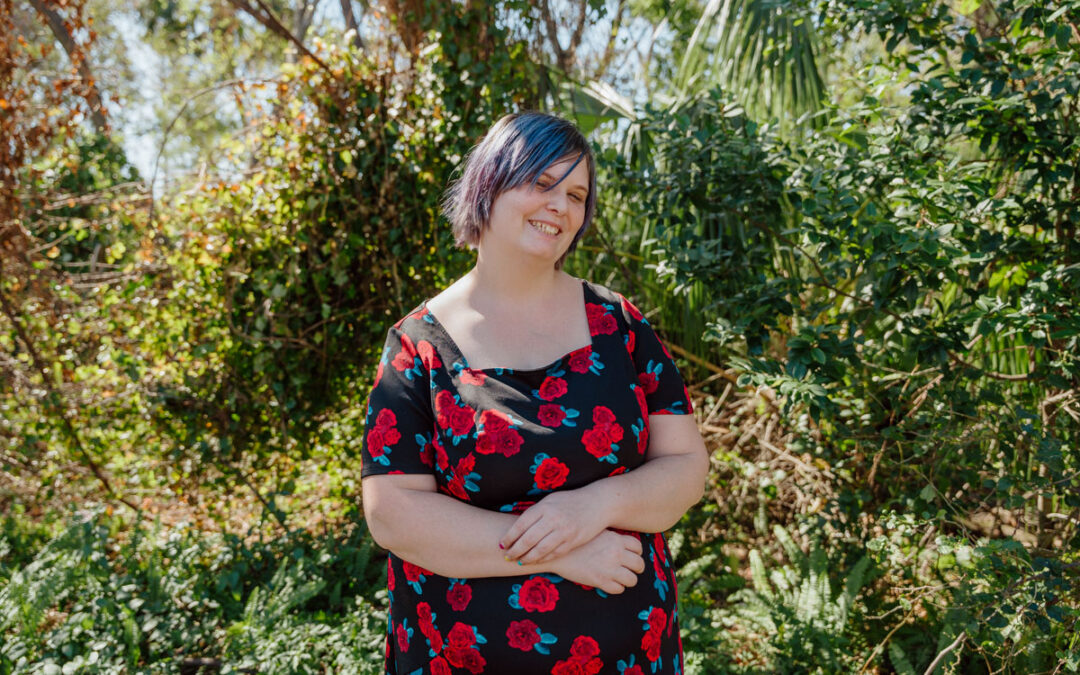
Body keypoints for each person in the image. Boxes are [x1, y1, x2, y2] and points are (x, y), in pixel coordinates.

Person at [360, 112, 709, 675]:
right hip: (462, 658)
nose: (561, 207)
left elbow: (685, 467)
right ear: (489, 184)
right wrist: (562, 549)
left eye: (576, 194)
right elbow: (394, 515)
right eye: (541, 184)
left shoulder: (621, 324)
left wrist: (595, 506)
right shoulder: (417, 346)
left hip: (630, 656)